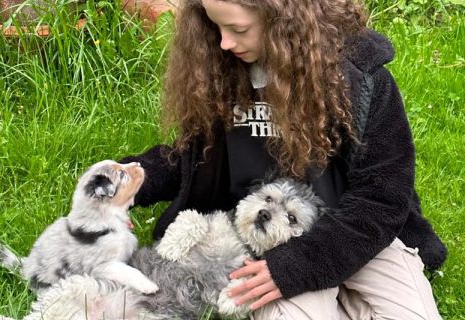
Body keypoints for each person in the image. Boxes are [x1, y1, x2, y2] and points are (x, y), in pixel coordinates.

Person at [120, 0, 448, 318]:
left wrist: (298, 267)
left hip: (360, 236)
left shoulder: (361, 79)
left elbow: (381, 199)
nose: (224, 42)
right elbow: (190, 158)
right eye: (215, 26)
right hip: (268, 243)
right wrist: (128, 179)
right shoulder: (221, 71)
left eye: (238, 28)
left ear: (282, 19)